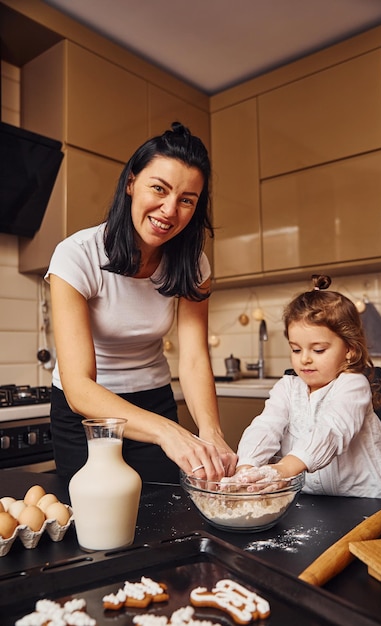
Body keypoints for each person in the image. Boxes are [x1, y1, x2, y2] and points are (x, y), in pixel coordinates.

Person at [45, 122, 237, 484]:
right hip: (88, 413)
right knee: (97, 523)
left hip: (154, 399)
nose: (169, 210)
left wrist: (211, 432)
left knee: (162, 516)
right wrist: (168, 432)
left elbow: (194, 359)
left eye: (186, 200)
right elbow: (78, 387)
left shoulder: (193, 263)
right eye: (159, 189)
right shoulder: (76, 255)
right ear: (131, 183)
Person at [233, 274, 381, 499]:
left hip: (364, 503)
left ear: (349, 349)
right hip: (309, 501)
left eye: (318, 350)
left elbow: (331, 430)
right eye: (296, 349)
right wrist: (247, 467)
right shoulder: (287, 388)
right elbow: (266, 426)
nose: (305, 359)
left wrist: (283, 469)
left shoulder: (353, 385)